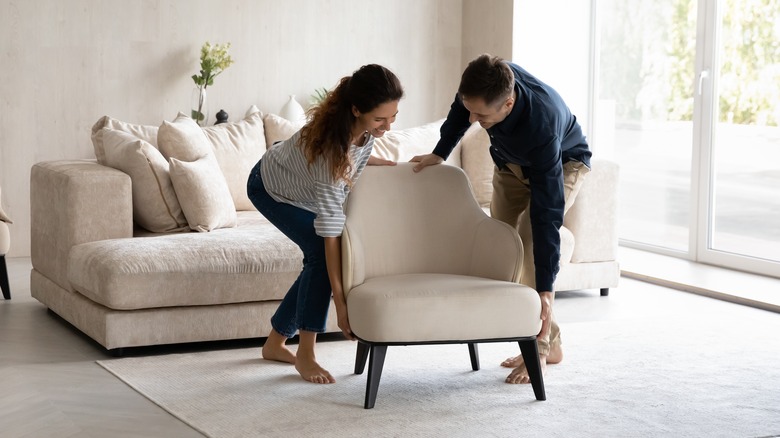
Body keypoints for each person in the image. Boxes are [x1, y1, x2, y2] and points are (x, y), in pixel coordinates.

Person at [411, 54, 592, 384]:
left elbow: (546, 216)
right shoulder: (484, 82)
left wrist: (547, 290)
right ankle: (550, 342)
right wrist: (440, 152)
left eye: (482, 115)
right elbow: (460, 112)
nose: (473, 117)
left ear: (508, 104)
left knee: (529, 240)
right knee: (502, 247)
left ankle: (540, 347)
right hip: (510, 164)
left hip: (562, 164)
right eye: (471, 109)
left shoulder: (542, 125)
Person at [247, 64, 403, 384]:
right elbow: (330, 231)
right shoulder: (331, 153)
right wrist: (341, 305)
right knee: (321, 250)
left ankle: (275, 343)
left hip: (301, 185)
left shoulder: (365, 130)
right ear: (356, 109)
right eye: (380, 119)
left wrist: (382, 162)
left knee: (323, 253)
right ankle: (306, 354)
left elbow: (354, 153)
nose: (387, 126)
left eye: (393, 117)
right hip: (270, 187)